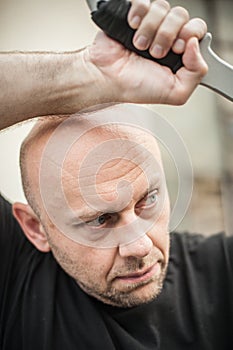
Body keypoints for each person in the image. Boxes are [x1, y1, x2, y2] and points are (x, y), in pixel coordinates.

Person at [2, 1, 232, 349]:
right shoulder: (15, 279)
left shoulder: (223, 272)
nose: (140, 245)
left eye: (148, 200)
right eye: (101, 220)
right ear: (36, 228)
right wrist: (90, 74)